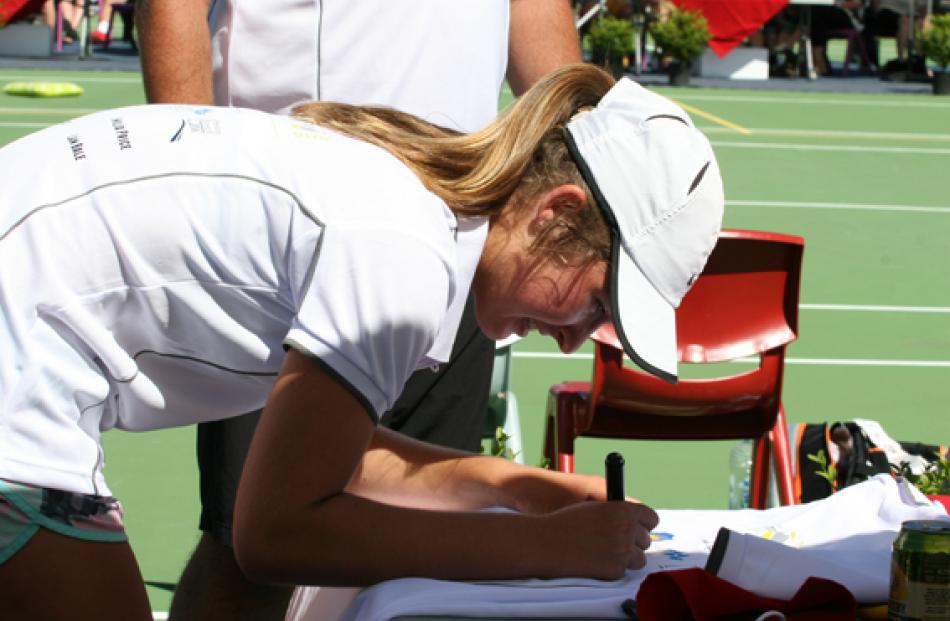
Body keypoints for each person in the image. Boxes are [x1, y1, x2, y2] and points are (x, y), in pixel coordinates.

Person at [0, 63, 724, 620]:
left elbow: (329, 458)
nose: (577, 341)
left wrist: (516, 486)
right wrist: (547, 548)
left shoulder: (415, 209)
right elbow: (276, 532)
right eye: (598, 300)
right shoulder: (403, 254)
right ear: (555, 213)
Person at [135, 1, 582, 618]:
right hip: (292, 254)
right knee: (252, 553)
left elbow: (546, 48)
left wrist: (602, 198)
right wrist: (200, 179)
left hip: (466, 237)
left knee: (417, 543)